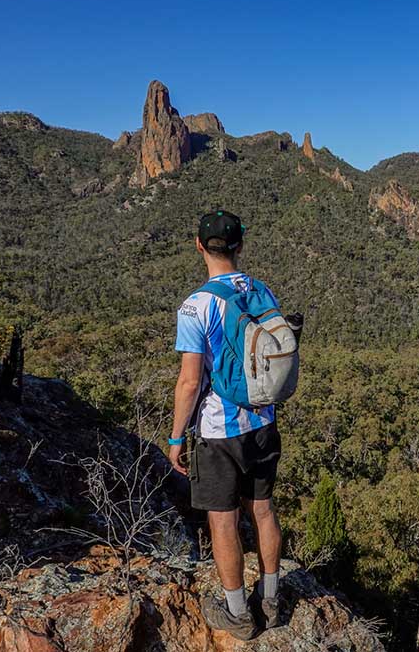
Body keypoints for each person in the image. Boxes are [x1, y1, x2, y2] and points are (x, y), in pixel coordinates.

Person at [170, 210, 282, 640]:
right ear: (240, 245)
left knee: (223, 521)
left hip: (219, 431)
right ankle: (270, 601)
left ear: (199, 245)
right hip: (264, 421)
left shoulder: (196, 305)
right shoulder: (262, 291)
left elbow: (190, 381)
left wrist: (176, 437)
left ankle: (238, 614)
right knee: (263, 510)